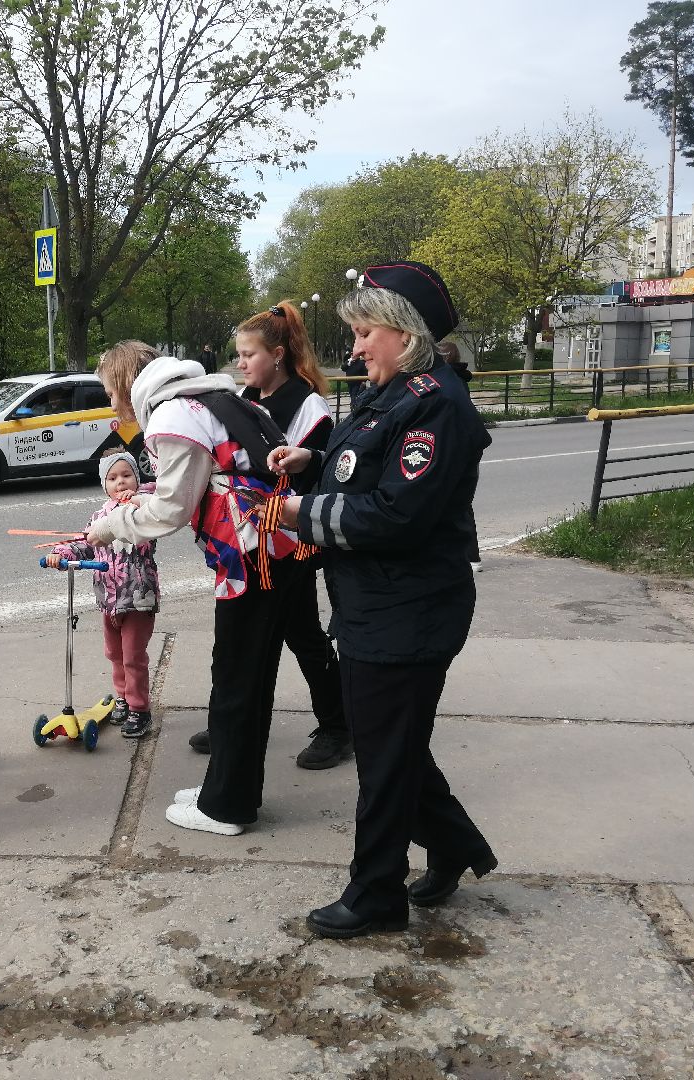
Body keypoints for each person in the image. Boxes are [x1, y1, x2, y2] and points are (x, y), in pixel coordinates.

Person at [269, 261, 497, 938]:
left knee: (384, 757)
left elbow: (397, 515)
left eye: (368, 331)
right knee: (391, 747)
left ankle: (375, 895)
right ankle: (456, 847)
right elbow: (362, 462)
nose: (358, 345)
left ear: (406, 333)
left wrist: (298, 516)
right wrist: (311, 464)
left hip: (409, 609)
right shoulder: (395, 392)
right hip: (379, 605)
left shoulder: (435, 404)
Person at [86, 340, 304, 837]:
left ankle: (226, 806)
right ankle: (227, 789)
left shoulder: (172, 418)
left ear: (125, 385)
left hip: (252, 559)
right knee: (244, 677)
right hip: (274, 551)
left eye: (109, 392)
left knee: (236, 681)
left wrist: (112, 524)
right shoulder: (213, 398)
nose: (113, 405)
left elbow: (170, 508)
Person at [184, 301, 348, 770]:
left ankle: (338, 728)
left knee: (304, 638)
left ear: (277, 354)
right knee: (234, 639)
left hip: (288, 544)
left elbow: (314, 475)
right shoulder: (246, 402)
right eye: (238, 355)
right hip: (245, 543)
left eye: (248, 355)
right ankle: (228, 723)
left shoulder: (309, 404)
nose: (240, 364)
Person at [48, 451, 161, 738]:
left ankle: (139, 708)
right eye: (113, 478)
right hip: (108, 601)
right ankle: (122, 697)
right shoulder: (100, 515)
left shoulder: (144, 510)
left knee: (133, 656)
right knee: (114, 654)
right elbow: (85, 544)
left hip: (137, 599)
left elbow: (158, 497)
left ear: (137, 478)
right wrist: (61, 553)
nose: (120, 482)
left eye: (126, 475)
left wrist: (140, 496)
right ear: (104, 484)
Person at [435, 342, 482, 573]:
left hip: (456, 444)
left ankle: (470, 556)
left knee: (457, 504)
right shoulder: (459, 378)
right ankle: (471, 555)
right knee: (461, 503)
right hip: (463, 443)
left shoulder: (447, 380)